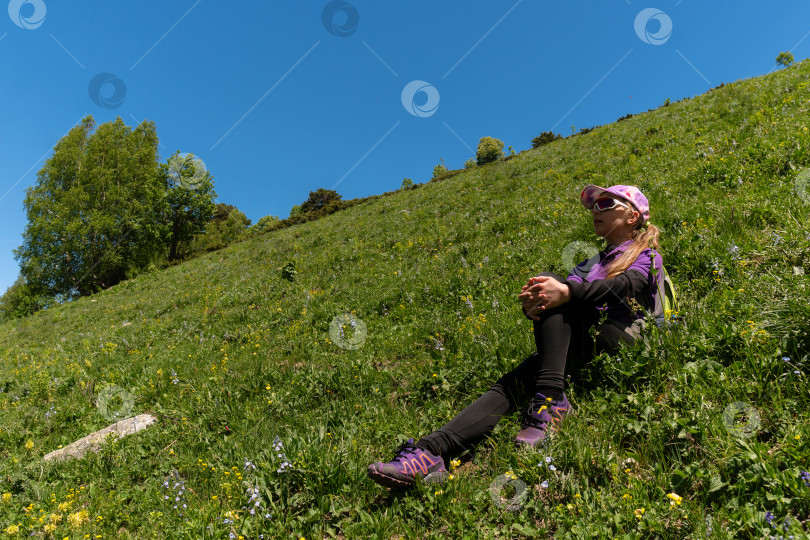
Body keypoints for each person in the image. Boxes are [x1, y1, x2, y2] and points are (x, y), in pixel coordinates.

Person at [367, 184, 663, 489]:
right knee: (512, 382)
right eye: (592, 206)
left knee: (560, 288)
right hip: (583, 343)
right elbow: (562, 298)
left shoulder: (646, 255)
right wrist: (536, 303)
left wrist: (565, 292)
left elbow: (625, 287)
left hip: (627, 344)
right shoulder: (591, 263)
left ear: (632, 216)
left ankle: (549, 400)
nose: (594, 210)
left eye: (605, 203)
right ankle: (432, 451)